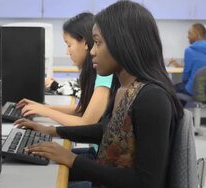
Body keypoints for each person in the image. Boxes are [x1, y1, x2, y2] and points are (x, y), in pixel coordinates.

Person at [15, 1, 184, 187]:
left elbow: (146, 182)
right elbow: (105, 130)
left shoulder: (152, 98)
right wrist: (51, 131)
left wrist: (73, 160)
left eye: (97, 43)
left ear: (123, 43)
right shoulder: (123, 89)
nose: (93, 52)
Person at [17, 12, 113, 126]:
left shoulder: (105, 76)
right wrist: (41, 108)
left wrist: (46, 112)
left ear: (85, 42)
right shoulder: (91, 74)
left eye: (69, 45)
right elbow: (80, 111)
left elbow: (86, 122)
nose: (67, 52)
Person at [168, 23, 206, 96]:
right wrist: (179, 65)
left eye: (189, 33)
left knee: (170, 90)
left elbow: (185, 77)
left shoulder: (189, 51)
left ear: (197, 34)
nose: (187, 36)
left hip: (194, 91)